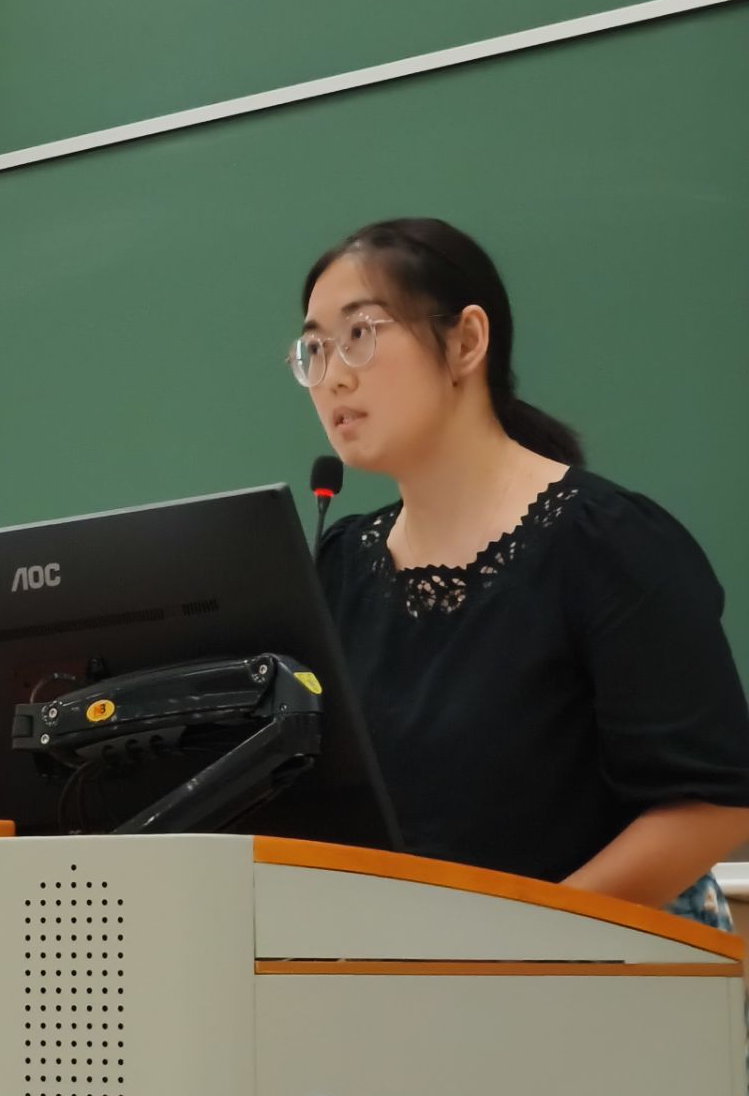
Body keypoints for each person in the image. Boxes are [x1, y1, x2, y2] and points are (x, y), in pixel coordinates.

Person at [297, 217, 749, 927]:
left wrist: (521, 941)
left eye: (360, 333)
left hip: (591, 972)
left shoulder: (606, 542)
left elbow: (714, 804)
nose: (334, 376)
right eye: (315, 349)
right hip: (394, 969)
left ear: (466, 341)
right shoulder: (340, 566)